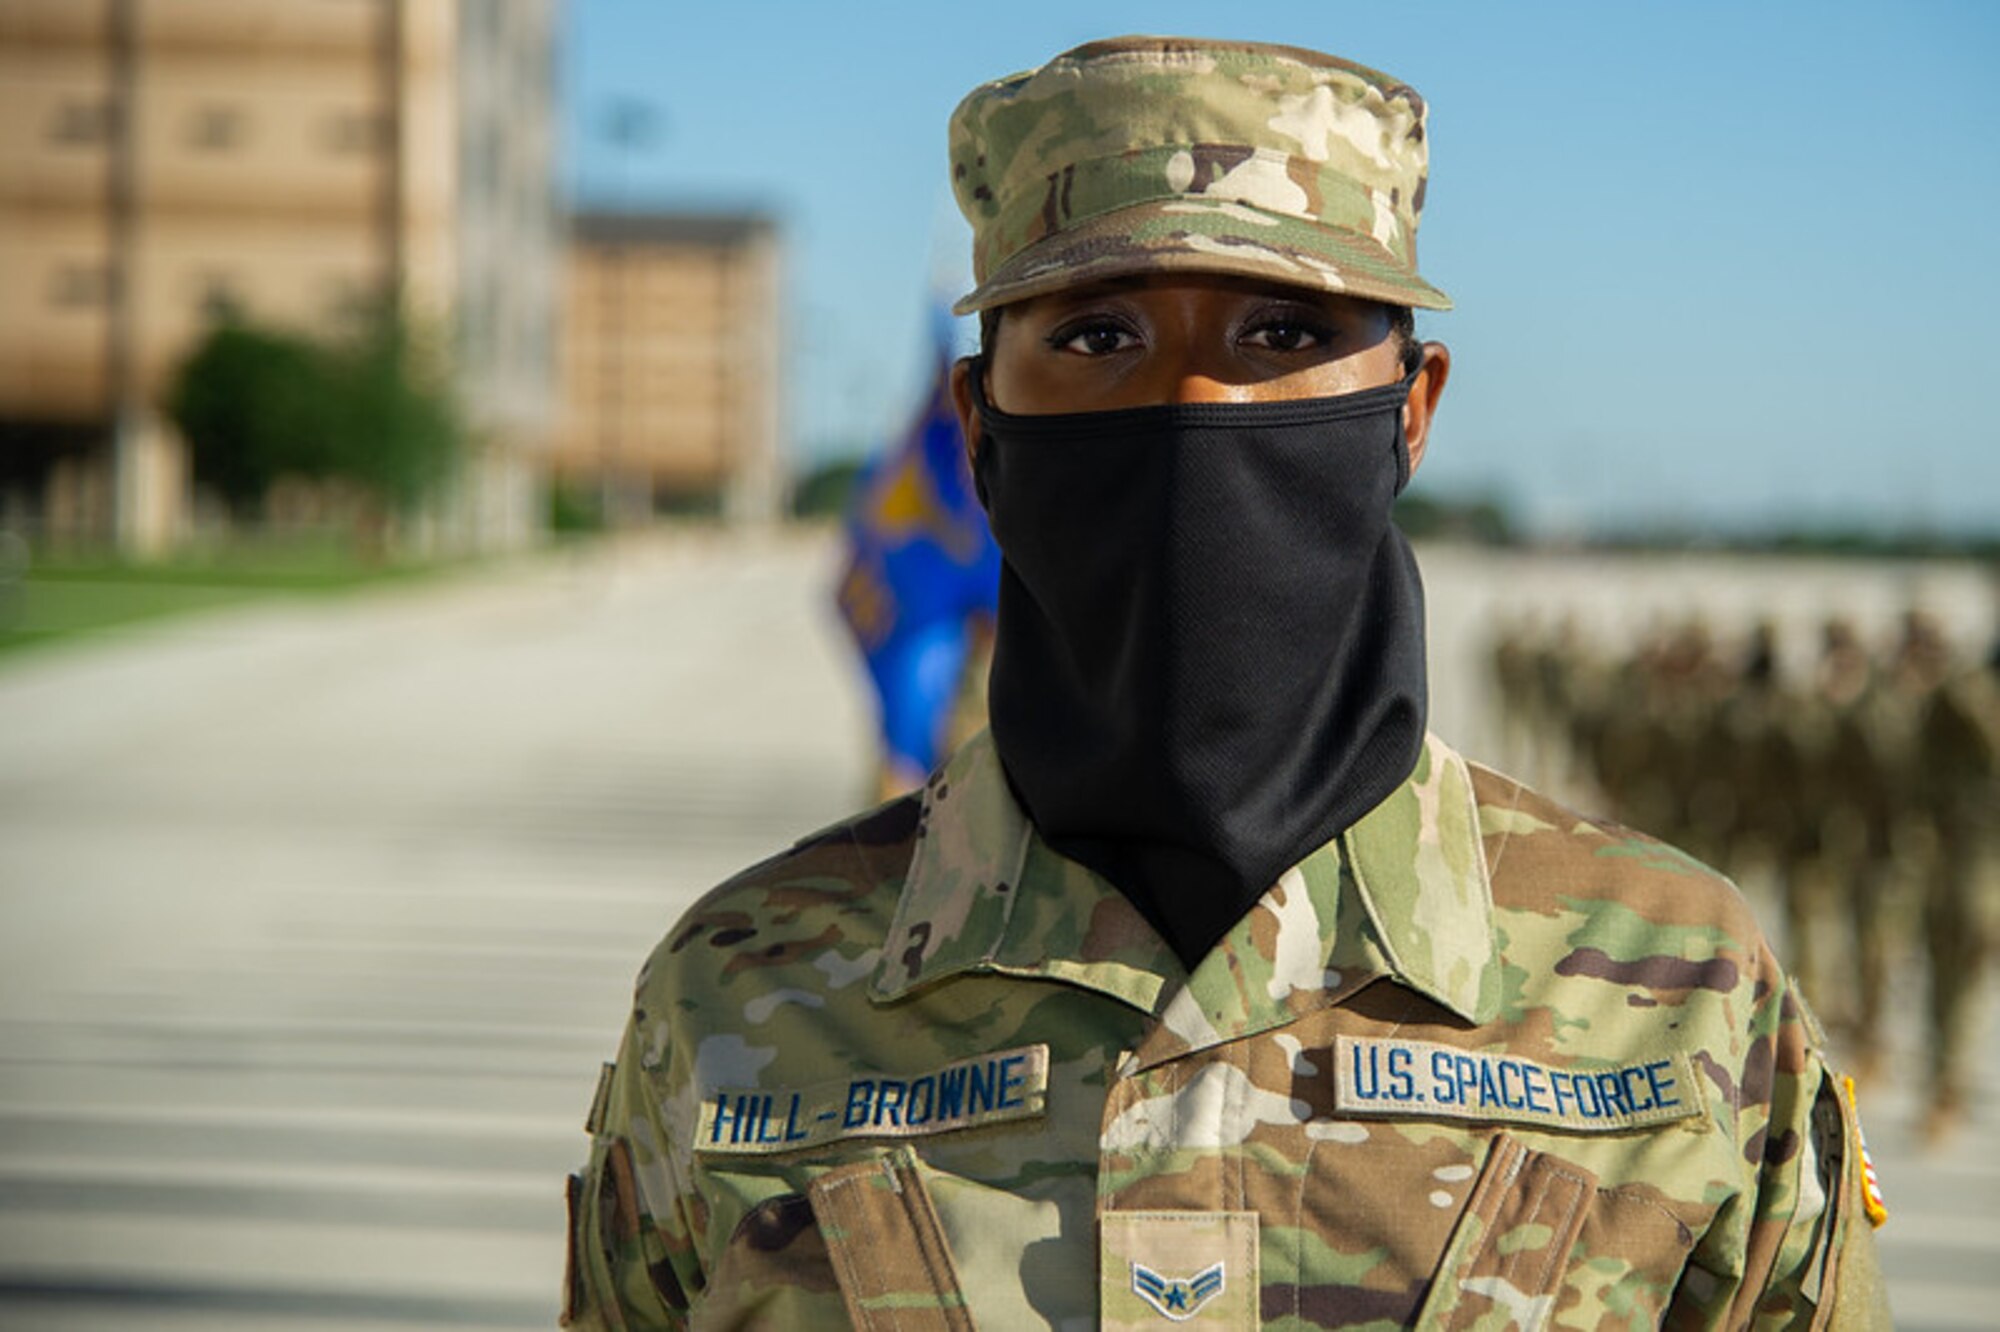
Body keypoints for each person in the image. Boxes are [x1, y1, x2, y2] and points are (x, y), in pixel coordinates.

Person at [563, 36, 1890, 1330]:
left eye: (1281, 331)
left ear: (1411, 409)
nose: (1193, 400)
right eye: (1096, 337)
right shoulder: (739, 997)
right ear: (979, 427)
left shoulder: (1683, 1000)